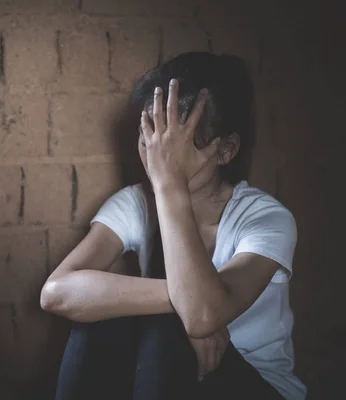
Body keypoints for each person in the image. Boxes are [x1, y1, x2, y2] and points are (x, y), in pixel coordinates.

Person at [39, 52, 307, 400]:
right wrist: (179, 300)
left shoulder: (265, 219)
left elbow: (203, 316)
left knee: (169, 329)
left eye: (175, 144)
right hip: (168, 375)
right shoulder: (135, 203)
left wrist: (169, 185)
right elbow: (56, 292)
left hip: (258, 387)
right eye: (149, 137)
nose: (156, 156)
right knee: (104, 322)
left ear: (226, 150)